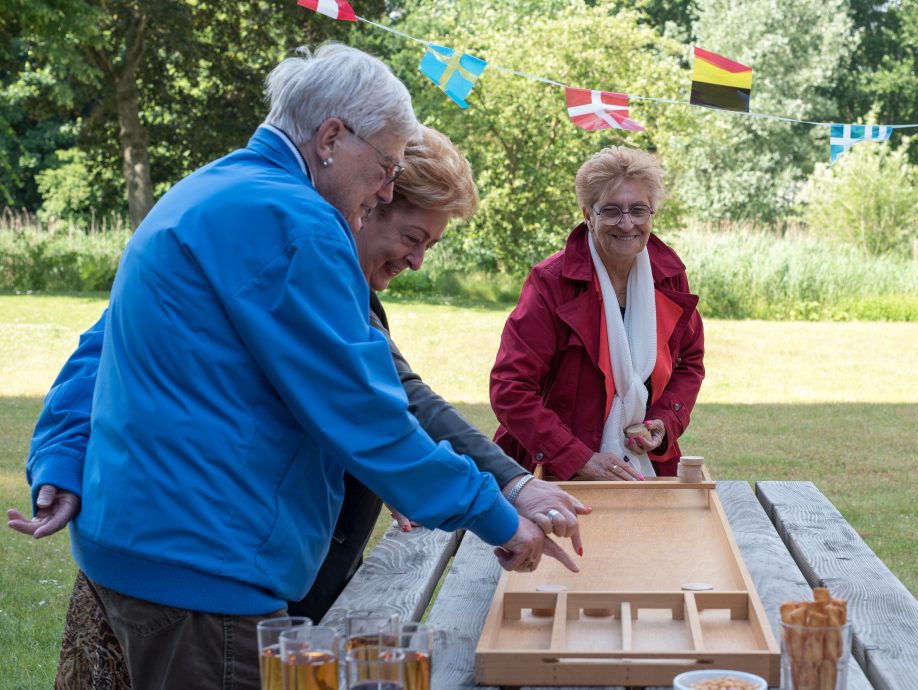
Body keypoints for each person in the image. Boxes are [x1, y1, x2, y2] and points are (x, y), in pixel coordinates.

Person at [5, 43, 568, 690]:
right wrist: (493, 513)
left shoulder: (202, 189)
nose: (387, 187)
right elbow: (363, 413)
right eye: (385, 166)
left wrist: (58, 456)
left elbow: (100, 349)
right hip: (207, 572)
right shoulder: (296, 221)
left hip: (138, 552)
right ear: (331, 136)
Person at [489, 146, 704, 481]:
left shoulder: (669, 274)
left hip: (645, 466)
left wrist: (664, 421)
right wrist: (576, 458)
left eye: (638, 210)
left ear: (652, 214)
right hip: (550, 473)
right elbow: (510, 387)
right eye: (611, 211)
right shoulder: (550, 282)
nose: (627, 223)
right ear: (587, 214)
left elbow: (689, 361)